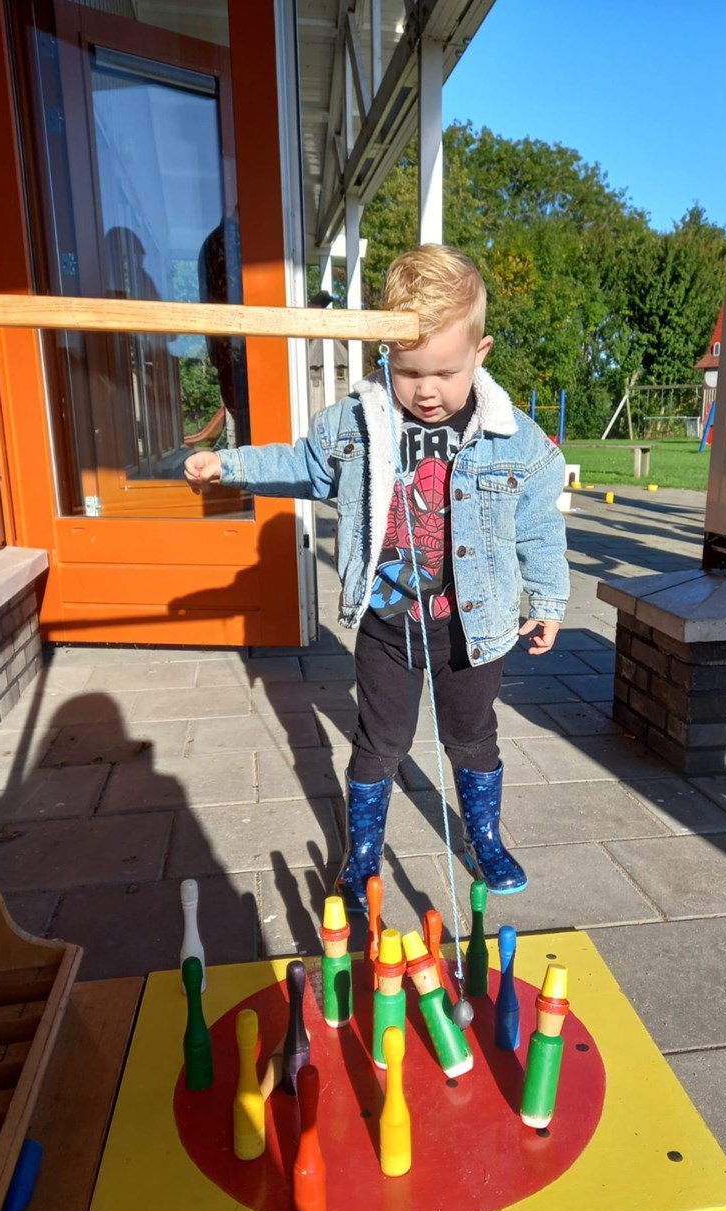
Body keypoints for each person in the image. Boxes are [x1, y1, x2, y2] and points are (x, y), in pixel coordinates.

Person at [184, 244, 569, 914]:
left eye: (444, 372)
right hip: (388, 626)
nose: (425, 389)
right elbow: (302, 464)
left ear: (480, 355)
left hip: (471, 629)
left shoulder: (516, 438)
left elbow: (539, 521)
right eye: (408, 369)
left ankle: (484, 837)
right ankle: (361, 855)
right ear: (383, 356)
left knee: (472, 734)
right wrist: (230, 464)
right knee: (379, 741)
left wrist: (549, 597)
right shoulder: (357, 423)